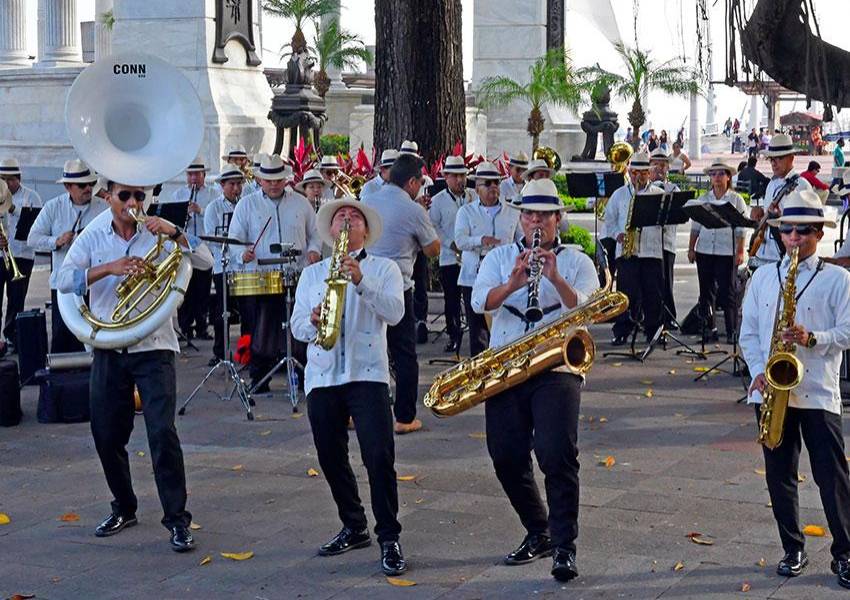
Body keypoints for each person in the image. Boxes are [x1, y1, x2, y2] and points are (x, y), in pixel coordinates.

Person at [56, 177, 214, 552]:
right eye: (124, 195)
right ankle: (124, 507)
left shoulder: (158, 232)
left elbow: (206, 261)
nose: (132, 202)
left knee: (162, 434)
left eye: (139, 195)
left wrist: (175, 232)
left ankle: (177, 520)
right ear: (108, 197)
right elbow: (63, 279)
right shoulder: (94, 235)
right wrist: (109, 268)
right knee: (106, 434)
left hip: (154, 345)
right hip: (109, 347)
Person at [470, 178, 599, 583]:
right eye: (529, 214)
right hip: (507, 363)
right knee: (505, 456)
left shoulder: (577, 261)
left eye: (544, 215)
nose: (536, 221)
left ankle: (564, 546)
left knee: (556, 453)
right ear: (520, 218)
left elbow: (589, 309)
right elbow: (478, 300)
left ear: (558, 218)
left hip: (556, 365)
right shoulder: (500, 257)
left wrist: (556, 280)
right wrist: (513, 283)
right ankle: (538, 529)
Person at [740, 189, 850, 591]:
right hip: (772, 390)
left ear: (819, 233)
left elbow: (848, 332)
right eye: (787, 230)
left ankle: (845, 552)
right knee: (779, 476)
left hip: (817, 390)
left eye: (802, 231)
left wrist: (812, 337)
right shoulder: (763, 276)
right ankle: (792, 547)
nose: (793, 238)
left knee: (831, 477)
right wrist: (758, 370)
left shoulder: (838, 279)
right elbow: (749, 332)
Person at [291, 198, 408, 577]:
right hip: (323, 375)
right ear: (330, 230)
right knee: (330, 456)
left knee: (378, 457)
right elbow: (297, 326)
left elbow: (395, 312)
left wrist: (361, 281)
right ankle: (354, 524)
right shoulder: (313, 275)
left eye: (354, 216)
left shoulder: (384, 269)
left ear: (365, 231)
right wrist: (311, 321)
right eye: (340, 216)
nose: (345, 220)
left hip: (367, 373)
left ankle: (389, 536)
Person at [228, 154, 322, 392]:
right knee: (262, 328)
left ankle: (304, 377)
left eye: (278, 180)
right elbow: (234, 239)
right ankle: (260, 378)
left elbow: (316, 234)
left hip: (297, 273)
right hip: (263, 275)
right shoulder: (246, 205)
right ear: (260, 180)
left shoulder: (301, 203)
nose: (273, 184)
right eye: (269, 180)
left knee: (300, 324)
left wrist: (314, 251)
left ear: (285, 180)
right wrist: (242, 254)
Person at [361, 153, 440, 434]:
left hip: (365, 283)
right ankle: (404, 417)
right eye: (420, 182)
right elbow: (433, 249)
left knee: (364, 348)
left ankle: (355, 413)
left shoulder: (368, 201)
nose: (420, 187)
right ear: (411, 182)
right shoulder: (413, 210)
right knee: (404, 354)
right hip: (397, 287)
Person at [28, 159, 108, 353]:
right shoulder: (53, 207)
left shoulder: (103, 208)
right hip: (64, 286)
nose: (88, 188)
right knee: (62, 337)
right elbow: (33, 238)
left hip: (95, 284)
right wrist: (55, 241)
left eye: (91, 184)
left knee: (93, 336)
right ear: (68, 187)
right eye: (82, 185)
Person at [456, 162, 520, 357]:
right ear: (477, 188)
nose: (493, 187)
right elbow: (460, 241)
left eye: (496, 183)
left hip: (503, 277)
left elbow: (520, 240)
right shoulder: (466, 212)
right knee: (477, 331)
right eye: (488, 183)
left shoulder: (512, 211)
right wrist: (480, 240)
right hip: (473, 276)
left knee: (506, 325)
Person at [605, 152, 663, 345]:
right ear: (629, 173)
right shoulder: (619, 194)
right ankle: (622, 330)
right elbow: (610, 220)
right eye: (635, 172)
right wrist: (617, 235)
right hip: (627, 252)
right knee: (626, 294)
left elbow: (666, 221)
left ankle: (653, 331)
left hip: (651, 250)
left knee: (652, 293)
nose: (639, 177)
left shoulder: (658, 194)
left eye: (643, 173)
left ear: (649, 173)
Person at [686, 161, 748, 344]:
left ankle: (731, 331)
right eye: (713, 174)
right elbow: (696, 227)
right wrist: (691, 248)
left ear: (728, 177)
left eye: (721, 174)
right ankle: (709, 329)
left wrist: (740, 251)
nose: (717, 178)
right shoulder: (704, 198)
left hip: (725, 251)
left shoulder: (736, 199)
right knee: (706, 292)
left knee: (728, 293)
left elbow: (741, 229)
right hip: (705, 249)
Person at [164, 158, 216, 341]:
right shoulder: (178, 194)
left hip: (203, 247)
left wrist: (200, 210)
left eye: (197, 174)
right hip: (184, 248)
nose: (193, 178)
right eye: (190, 174)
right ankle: (185, 327)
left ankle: (202, 327)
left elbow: (214, 216)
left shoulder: (212, 194)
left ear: (204, 175)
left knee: (202, 290)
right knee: (185, 289)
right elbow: (171, 221)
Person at [428, 156, 474, 354]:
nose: (460, 180)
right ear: (446, 177)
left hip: (471, 256)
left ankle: (476, 335)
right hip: (449, 257)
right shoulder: (437, 201)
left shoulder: (473, 196)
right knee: (452, 299)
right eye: (455, 176)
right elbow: (433, 226)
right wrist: (450, 243)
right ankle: (454, 335)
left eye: (462, 175)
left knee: (472, 298)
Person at [204, 166, 246, 366]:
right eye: (232, 184)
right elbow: (211, 239)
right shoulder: (213, 208)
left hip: (244, 266)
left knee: (248, 311)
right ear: (222, 185)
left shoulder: (245, 205)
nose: (236, 188)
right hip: (224, 266)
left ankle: (246, 352)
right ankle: (220, 351)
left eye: (239, 184)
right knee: (223, 312)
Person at [750, 133, 813, 267]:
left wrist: (781, 219)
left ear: (791, 158)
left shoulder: (802, 186)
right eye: (771, 159)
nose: (774, 163)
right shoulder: (771, 184)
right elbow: (767, 216)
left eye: (779, 158)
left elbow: (808, 226)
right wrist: (760, 213)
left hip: (785, 256)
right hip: (762, 253)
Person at [0, 157, 42, 352]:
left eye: (11, 179)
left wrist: (11, 208)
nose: (7, 184)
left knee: (16, 300)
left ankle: (12, 337)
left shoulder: (32, 196)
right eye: (3, 179)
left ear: (19, 179)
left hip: (22, 255)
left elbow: (35, 225)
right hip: (1, 256)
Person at [649, 148, 679, 327]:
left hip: (666, 242)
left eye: (662, 165)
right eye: (655, 165)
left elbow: (677, 213)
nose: (659, 169)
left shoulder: (673, 188)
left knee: (667, 281)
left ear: (667, 168)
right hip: (648, 245)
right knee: (651, 283)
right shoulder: (645, 189)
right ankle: (651, 318)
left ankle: (669, 317)